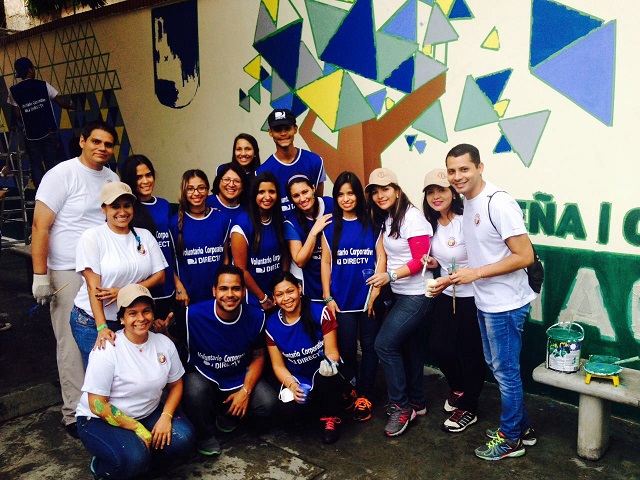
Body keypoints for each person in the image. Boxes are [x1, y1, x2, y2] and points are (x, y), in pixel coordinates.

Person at [445, 144, 537, 460]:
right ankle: (522, 428)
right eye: (452, 171)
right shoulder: (468, 203)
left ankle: (510, 439)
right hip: (487, 300)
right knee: (499, 367)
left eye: (464, 169)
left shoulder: (498, 203)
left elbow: (524, 256)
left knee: (506, 372)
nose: (457, 176)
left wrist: (476, 273)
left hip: (506, 303)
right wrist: (455, 276)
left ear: (480, 167)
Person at [31, 120, 119, 437]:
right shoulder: (61, 175)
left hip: (101, 271)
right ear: (82, 141)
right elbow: (40, 226)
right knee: (69, 343)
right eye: (96, 141)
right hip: (67, 270)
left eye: (108, 144)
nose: (102, 148)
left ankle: (102, 405)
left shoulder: (112, 179)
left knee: (102, 339)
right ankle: (74, 413)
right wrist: (40, 275)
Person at [75, 284, 195, 480]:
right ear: (122, 319)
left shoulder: (164, 344)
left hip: (147, 413)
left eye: (146, 311)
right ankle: (103, 467)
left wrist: (166, 416)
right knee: (134, 458)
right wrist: (136, 428)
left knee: (183, 439)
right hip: (99, 420)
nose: (141, 318)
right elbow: (97, 405)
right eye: (132, 313)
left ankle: (142, 461)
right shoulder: (107, 349)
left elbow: (176, 385)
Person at [365, 167, 433, 437]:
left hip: (416, 294)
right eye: (375, 191)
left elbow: (420, 261)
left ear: (397, 190)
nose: (380, 195)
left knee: (384, 344)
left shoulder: (412, 218)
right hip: (401, 293)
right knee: (410, 347)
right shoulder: (390, 217)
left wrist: (389, 276)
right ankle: (417, 402)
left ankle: (401, 407)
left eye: (385, 189)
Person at [70, 182, 167, 368]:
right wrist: (101, 327)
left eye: (127, 206)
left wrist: (124, 292)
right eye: (115, 206)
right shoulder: (92, 237)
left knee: (129, 374)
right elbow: (93, 286)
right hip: (92, 321)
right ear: (104, 209)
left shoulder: (144, 236)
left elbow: (160, 275)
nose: (122, 212)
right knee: (102, 374)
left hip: (130, 321)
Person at [182, 265, 276, 456]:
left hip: (237, 377)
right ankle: (205, 435)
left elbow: (259, 356)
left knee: (267, 404)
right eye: (223, 288)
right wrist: (161, 330)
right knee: (194, 388)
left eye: (236, 288)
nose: (230, 294)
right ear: (214, 291)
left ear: (244, 291)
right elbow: (171, 341)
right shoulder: (191, 315)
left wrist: (245, 391)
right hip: (205, 376)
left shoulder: (256, 316)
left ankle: (226, 413)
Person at [421, 168, 485, 433]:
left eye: (442, 190)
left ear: (453, 192)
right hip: (447, 295)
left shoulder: (466, 220)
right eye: (430, 192)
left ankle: (469, 408)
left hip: (472, 297)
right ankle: (459, 388)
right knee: (439, 347)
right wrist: (434, 263)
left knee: (471, 352)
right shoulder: (432, 224)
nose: (436, 196)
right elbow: (446, 259)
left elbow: (481, 259)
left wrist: (448, 279)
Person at [321, 171, 385, 422]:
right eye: (340, 194)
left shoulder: (372, 224)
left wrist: (376, 291)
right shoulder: (330, 227)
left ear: (358, 195)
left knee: (369, 347)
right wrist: (327, 296)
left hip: (368, 299)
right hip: (342, 302)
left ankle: (365, 395)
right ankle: (351, 388)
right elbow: (325, 262)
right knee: (347, 348)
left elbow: (381, 256)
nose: (346, 199)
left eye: (350, 193)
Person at [266, 272, 354, 444]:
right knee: (288, 412)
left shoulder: (320, 312)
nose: (286, 298)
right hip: (299, 378)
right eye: (280, 294)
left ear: (299, 289)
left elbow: (332, 352)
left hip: (324, 373)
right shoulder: (272, 325)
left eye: (290, 291)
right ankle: (319, 406)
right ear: (274, 298)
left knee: (325, 377)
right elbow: (278, 366)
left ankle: (331, 416)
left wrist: (329, 364)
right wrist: (292, 386)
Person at [169, 169, 230, 343]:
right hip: (188, 297)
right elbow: (168, 261)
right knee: (193, 342)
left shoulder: (222, 219)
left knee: (218, 340)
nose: (196, 193)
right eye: (190, 189)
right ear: (184, 191)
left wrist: (224, 288)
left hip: (216, 296)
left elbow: (225, 258)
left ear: (208, 189)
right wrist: (179, 287)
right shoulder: (173, 222)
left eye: (201, 188)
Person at [120, 155, 175, 321]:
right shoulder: (126, 210)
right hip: (139, 289)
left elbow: (172, 249)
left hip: (167, 286)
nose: (145, 181)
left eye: (148, 175)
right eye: (138, 177)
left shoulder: (164, 205)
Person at [7, 57, 74, 188]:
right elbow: (61, 103)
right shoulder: (43, 85)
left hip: (31, 135)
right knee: (51, 164)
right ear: (30, 69)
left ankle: (41, 193)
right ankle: (55, 191)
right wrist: (71, 106)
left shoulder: (13, 90)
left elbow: (17, 115)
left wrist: (29, 119)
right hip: (49, 131)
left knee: (36, 165)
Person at [230, 171, 289, 311]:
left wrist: (282, 286)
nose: (267, 197)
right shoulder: (242, 224)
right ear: (254, 194)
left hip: (278, 296)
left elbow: (285, 256)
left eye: (272, 192)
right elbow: (241, 269)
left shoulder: (280, 220)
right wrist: (262, 297)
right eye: (261, 192)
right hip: (254, 299)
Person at [257, 109, 326, 213]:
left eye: (287, 128)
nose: (283, 133)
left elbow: (319, 202)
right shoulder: (263, 171)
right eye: (278, 129)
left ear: (295, 129)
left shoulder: (314, 161)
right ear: (270, 132)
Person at [284, 174, 333, 301]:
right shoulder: (291, 222)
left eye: (305, 192)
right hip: (312, 286)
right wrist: (313, 232)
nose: (302, 199)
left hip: (338, 280)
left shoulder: (331, 205)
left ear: (313, 188)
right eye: (296, 196)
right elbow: (300, 261)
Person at [206, 162, 248, 226]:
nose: (231, 185)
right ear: (218, 182)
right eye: (226, 179)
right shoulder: (205, 203)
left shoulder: (247, 211)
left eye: (237, 181)